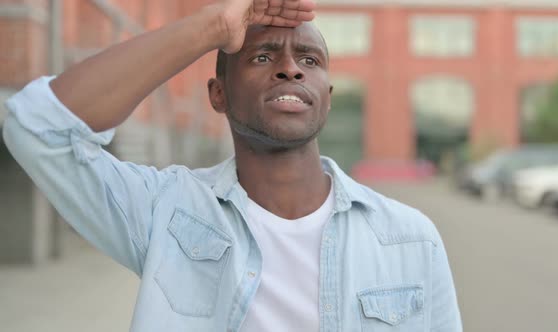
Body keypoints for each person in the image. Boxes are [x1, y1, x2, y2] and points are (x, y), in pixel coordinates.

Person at [3, 0, 462, 331]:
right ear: (217, 95)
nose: (290, 69)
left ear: (326, 97)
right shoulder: (165, 212)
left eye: (309, 60)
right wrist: (212, 27)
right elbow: (37, 125)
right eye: (262, 57)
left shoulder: (410, 237)